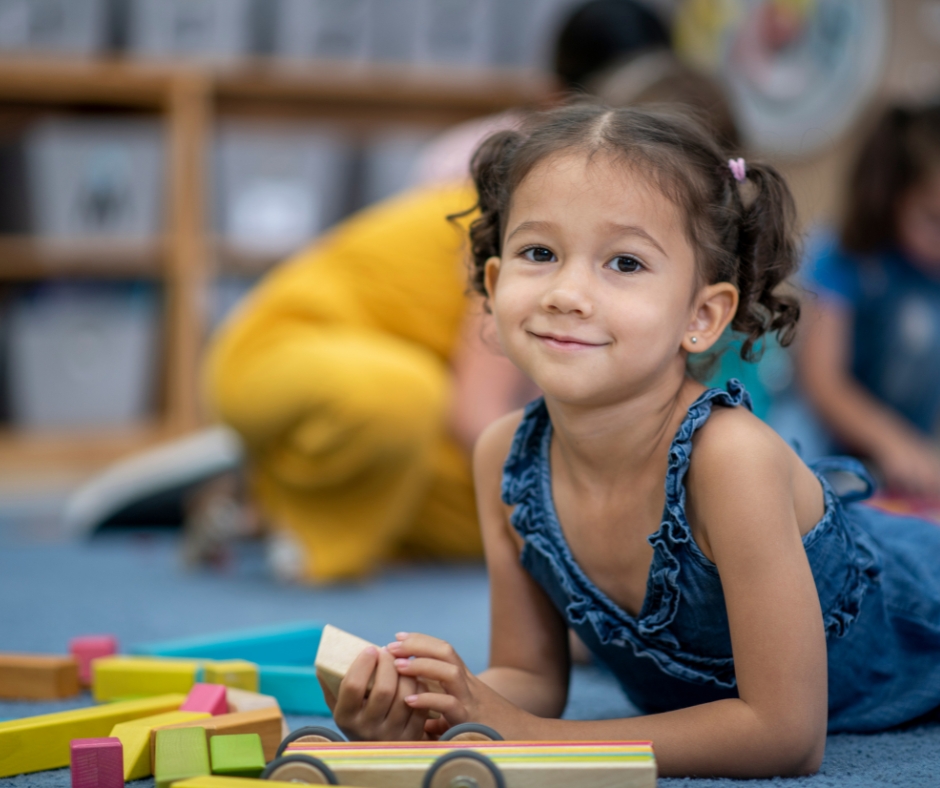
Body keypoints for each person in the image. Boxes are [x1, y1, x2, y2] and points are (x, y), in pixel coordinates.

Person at [322, 104, 940, 777]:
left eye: (623, 262)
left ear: (702, 316)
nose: (568, 292)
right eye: (539, 253)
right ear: (495, 287)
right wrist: (440, 712)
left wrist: (526, 736)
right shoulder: (504, 457)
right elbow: (529, 675)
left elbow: (786, 734)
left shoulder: (732, 459)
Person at [799, 103, 940, 496]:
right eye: (933, 219)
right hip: (822, 438)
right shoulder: (846, 255)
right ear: (891, 196)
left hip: (902, 459)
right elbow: (822, 381)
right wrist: (891, 442)